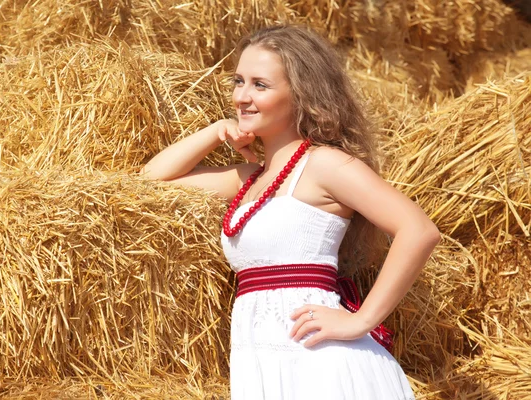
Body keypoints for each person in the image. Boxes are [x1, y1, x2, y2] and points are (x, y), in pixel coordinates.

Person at [142, 25, 440, 400]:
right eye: (238, 81)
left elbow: (418, 230)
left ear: (301, 93)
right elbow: (151, 181)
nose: (242, 97)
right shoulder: (249, 179)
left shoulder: (324, 165)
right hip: (263, 361)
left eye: (260, 85)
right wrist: (217, 130)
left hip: (323, 363)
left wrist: (361, 321)